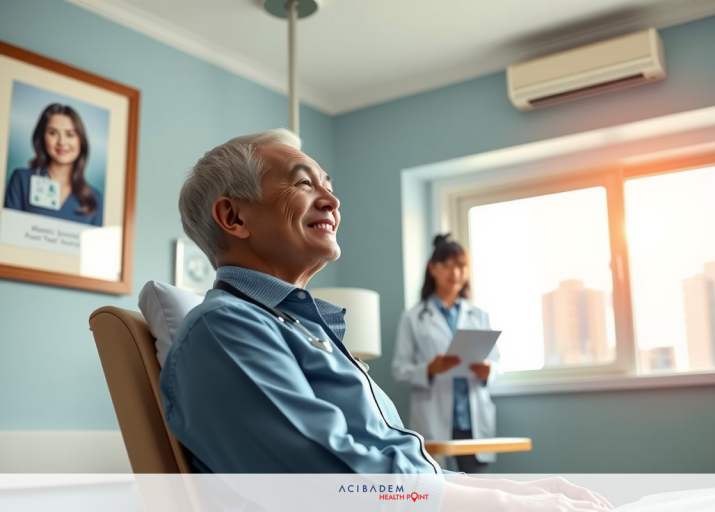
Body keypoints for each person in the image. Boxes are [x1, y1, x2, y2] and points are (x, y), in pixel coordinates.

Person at [161, 129, 612, 511]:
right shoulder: (224, 331)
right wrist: (508, 504)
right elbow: (338, 482)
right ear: (234, 217)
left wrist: (521, 490)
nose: (332, 200)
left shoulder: (297, 327)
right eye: (303, 185)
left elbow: (398, 468)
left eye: (328, 184)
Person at [392, 235, 499, 474]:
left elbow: (497, 364)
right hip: (432, 418)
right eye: (447, 265)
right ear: (433, 268)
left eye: (461, 266)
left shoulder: (479, 315)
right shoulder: (413, 317)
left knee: (477, 495)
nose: (455, 273)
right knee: (437, 493)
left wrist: (488, 371)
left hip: (472, 421)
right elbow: (399, 370)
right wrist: (429, 369)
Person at [3, 103, 103, 226]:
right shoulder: (21, 180)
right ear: (42, 137)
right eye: (53, 133)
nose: (61, 142)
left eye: (70, 134)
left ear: (81, 141)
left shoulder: (95, 198)